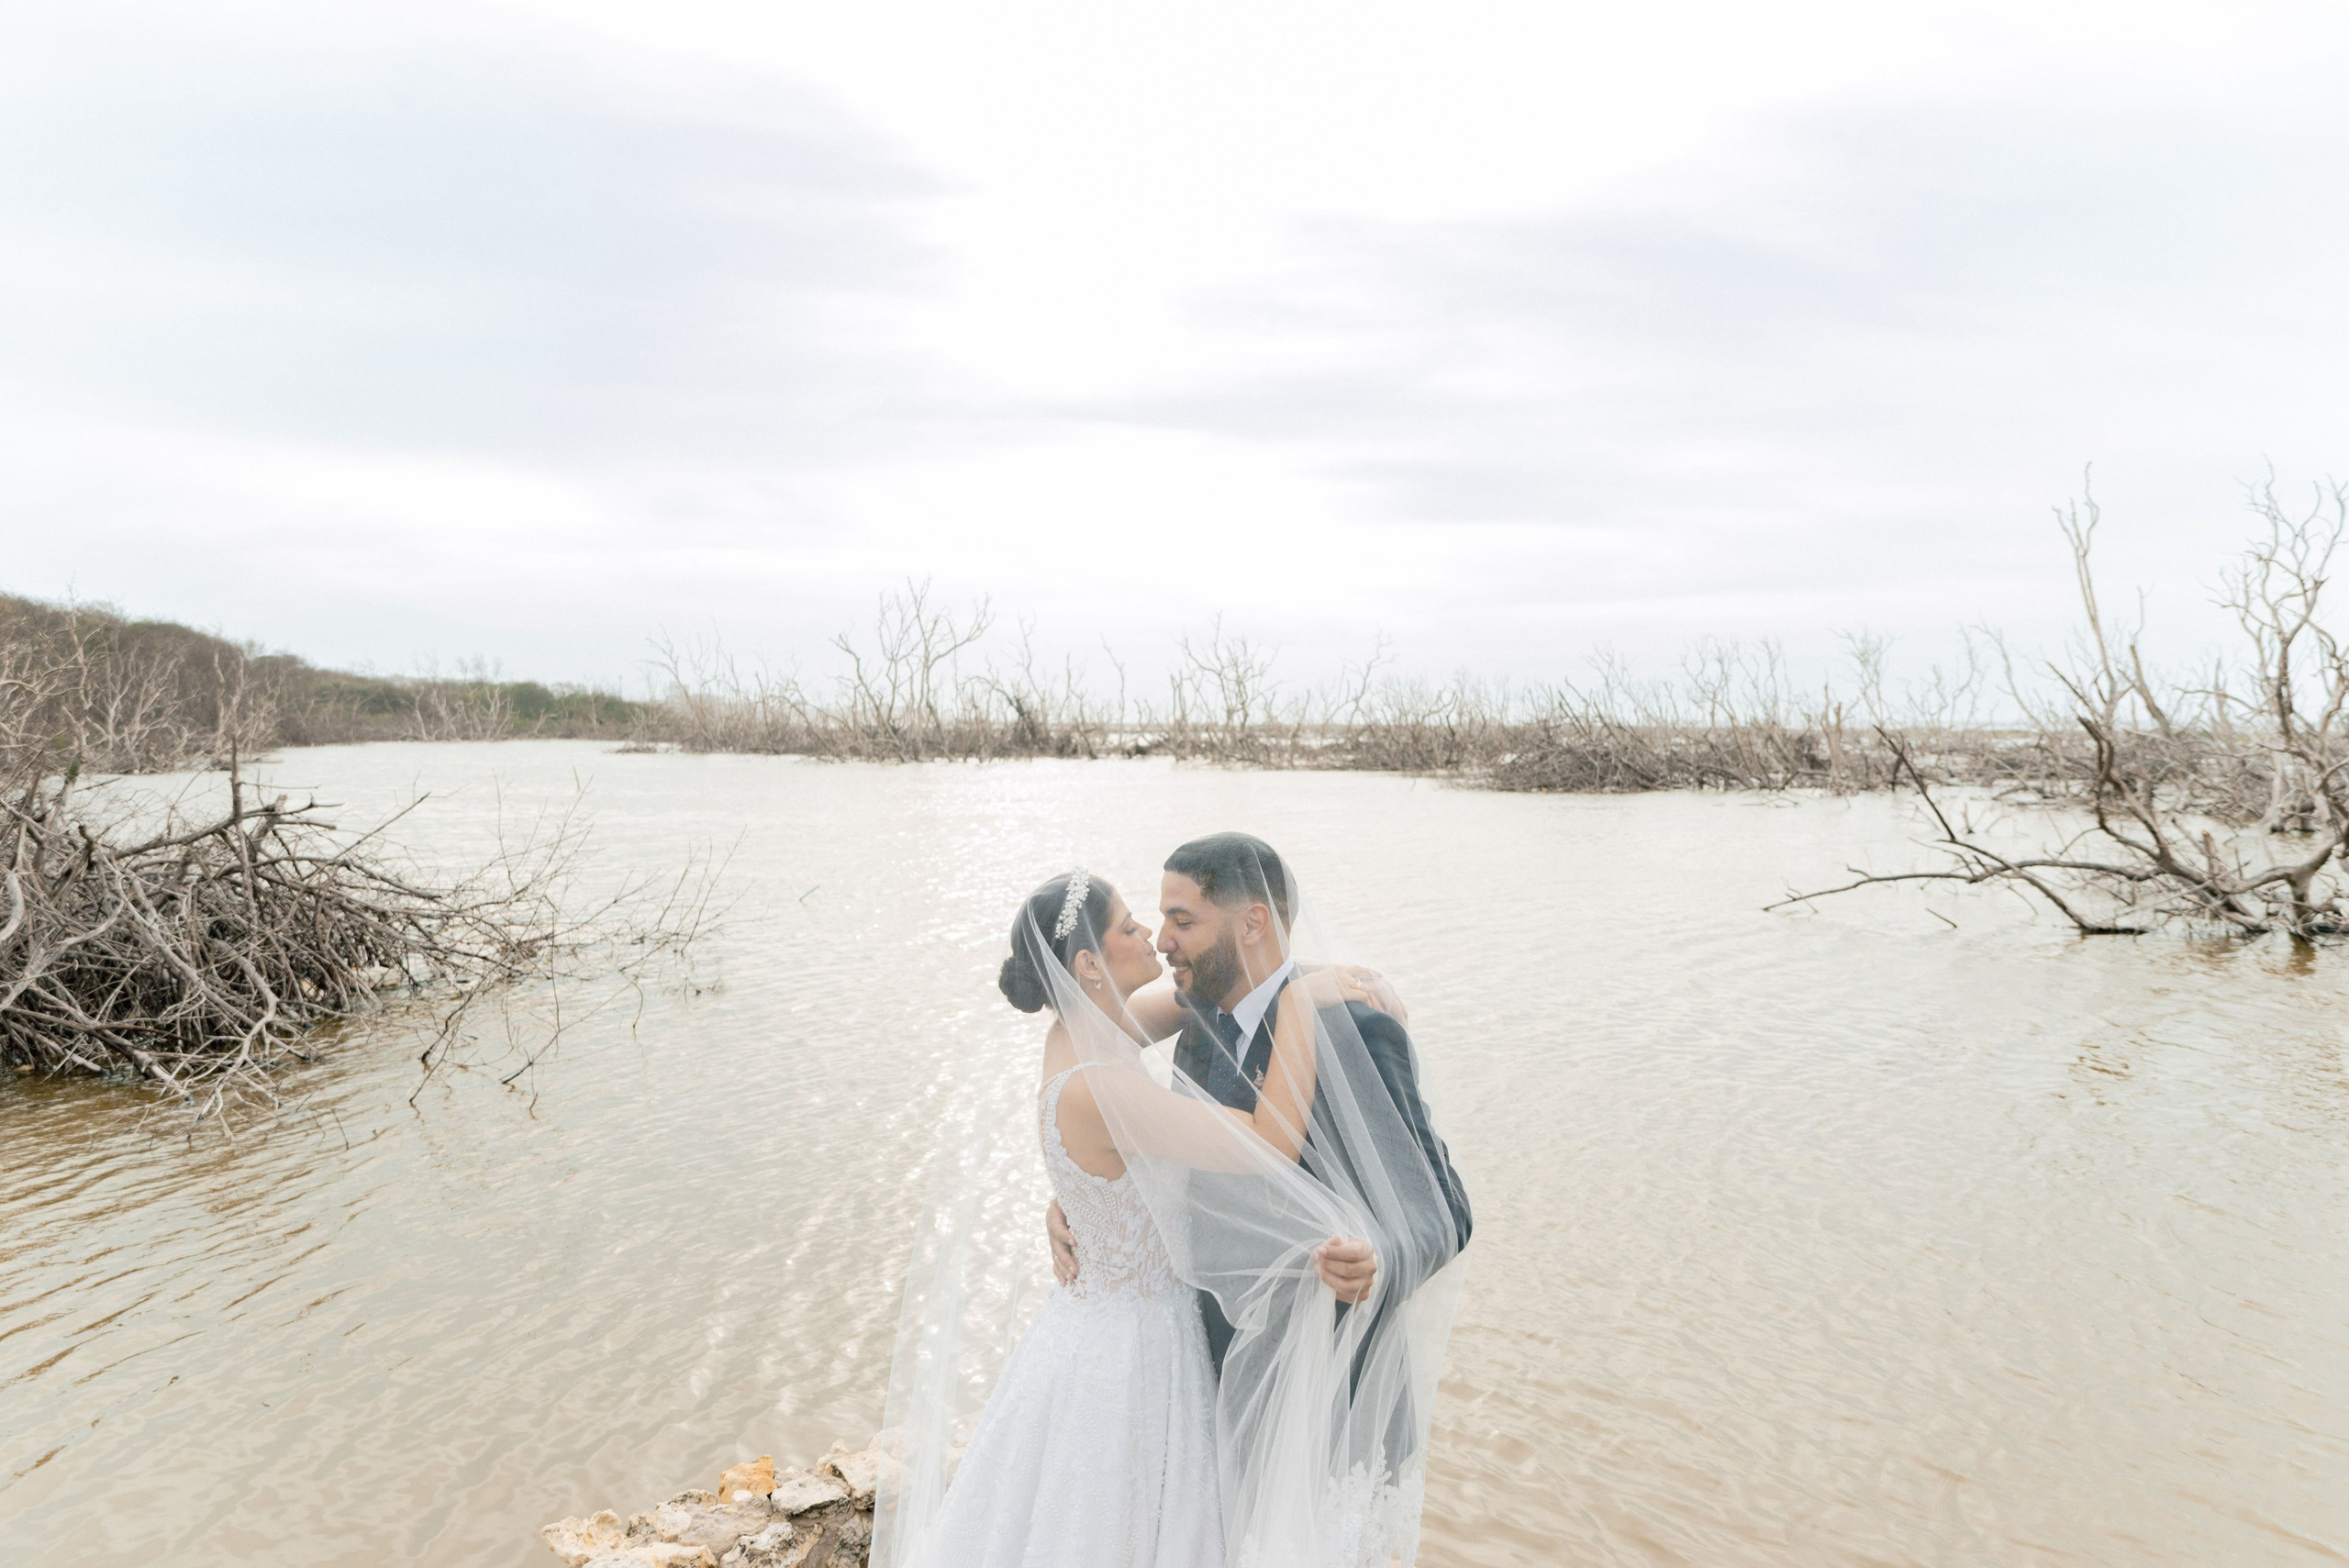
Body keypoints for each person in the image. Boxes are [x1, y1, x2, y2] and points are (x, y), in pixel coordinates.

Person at [879, 869, 1408, 1568]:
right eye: (1129, 925)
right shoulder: (1101, 1084)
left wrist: (1295, 973)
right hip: (1132, 1349)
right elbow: (1267, 1141)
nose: (1150, 937)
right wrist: (1302, 1008)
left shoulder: (1088, 1032)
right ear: (1090, 965)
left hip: (1096, 1320)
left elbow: (1193, 1000)